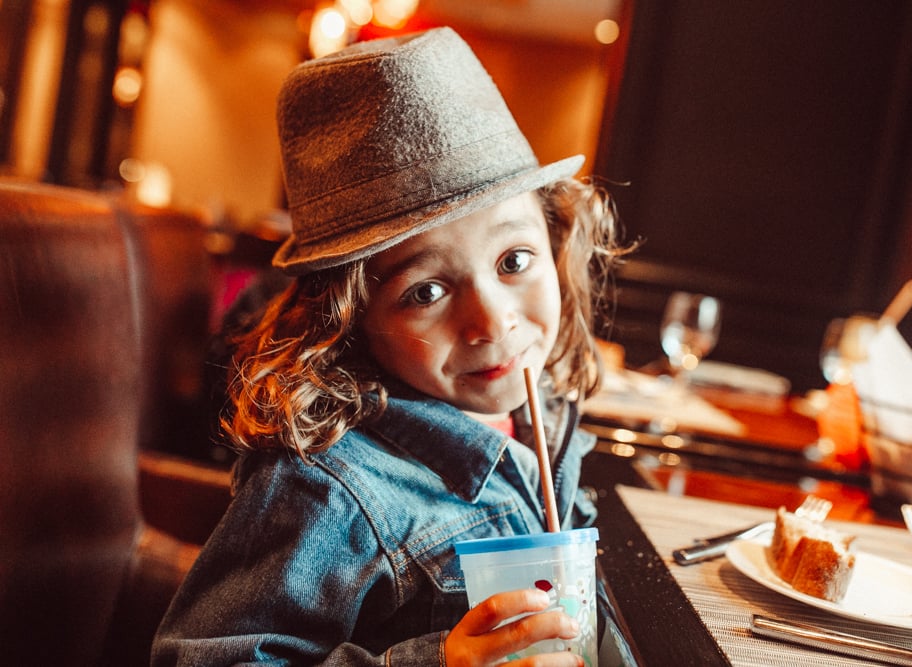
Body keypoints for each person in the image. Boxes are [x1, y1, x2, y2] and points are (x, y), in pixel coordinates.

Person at [152, 26, 631, 666]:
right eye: (426, 292)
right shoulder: (326, 490)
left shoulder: (538, 410)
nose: (492, 322)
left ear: (554, 244)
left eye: (514, 260)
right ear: (347, 320)